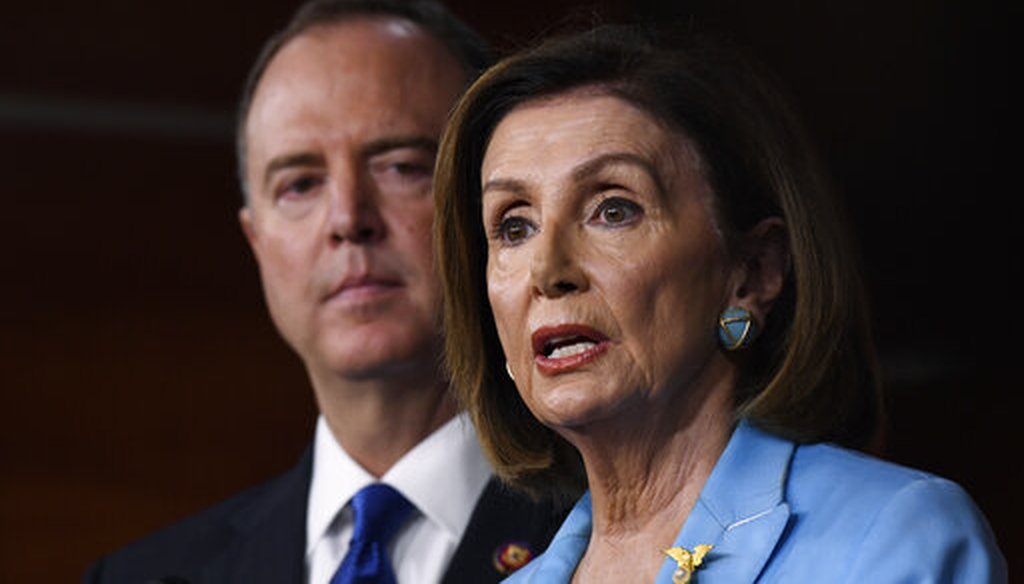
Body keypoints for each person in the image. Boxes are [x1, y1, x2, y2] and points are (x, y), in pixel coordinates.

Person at [434, 24, 1007, 583]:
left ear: (753, 271)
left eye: (613, 210)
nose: (548, 272)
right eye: (514, 227)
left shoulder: (890, 536)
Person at [83, 1, 566, 583]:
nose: (347, 218)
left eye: (401, 166)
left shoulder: (626, 536)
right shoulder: (137, 578)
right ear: (256, 240)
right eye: (300, 184)